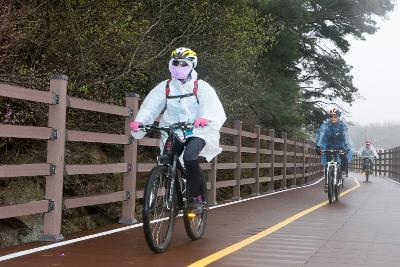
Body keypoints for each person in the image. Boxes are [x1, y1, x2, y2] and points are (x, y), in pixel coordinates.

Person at [130, 47, 226, 214]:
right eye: (176, 63)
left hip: (197, 131)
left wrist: (205, 118)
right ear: (170, 65)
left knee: (190, 157)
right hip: (172, 130)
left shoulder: (201, 87)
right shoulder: (165, 87)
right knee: (166, 159)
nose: (179, 66)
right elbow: (150, 107)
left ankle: (196, 198)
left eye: (184, 63)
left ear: (191, 66)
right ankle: (168, 191)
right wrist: (139, 121)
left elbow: (212, 107)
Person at [315, 107, 353, 191]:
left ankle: (343, 172)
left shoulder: (343, 125)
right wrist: (318, 146)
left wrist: (347, 147)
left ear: (339, 116)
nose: (333, 118)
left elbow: (346, 136)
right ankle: (327, 183)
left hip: (340, 144)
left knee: (344, 157)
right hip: (329, 145)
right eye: (331, 116)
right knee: (328, 164)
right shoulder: (326, 124)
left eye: (335, 116)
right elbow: (322, 135)